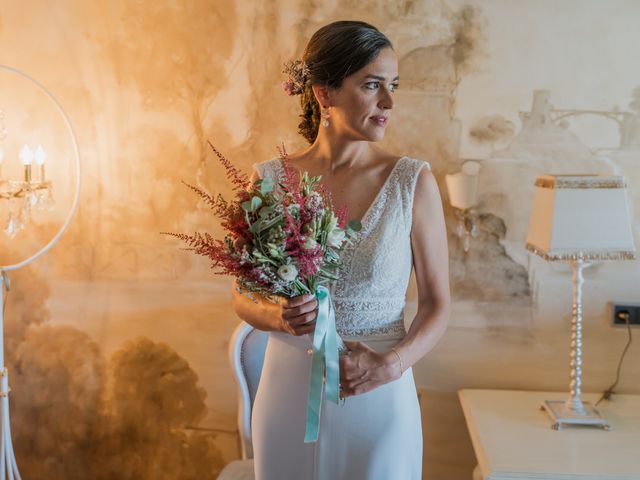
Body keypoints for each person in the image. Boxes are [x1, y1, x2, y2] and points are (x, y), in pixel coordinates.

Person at [230, 20, 450, 480]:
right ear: (324, 93)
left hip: (378, 392)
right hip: (289, 389)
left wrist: (390, 366)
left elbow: (437, 305)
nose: (389, 102)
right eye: (372, 86)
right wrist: (277, 317)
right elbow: (241, 293)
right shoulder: (268, 182)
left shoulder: (413, 182)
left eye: (393, 86)